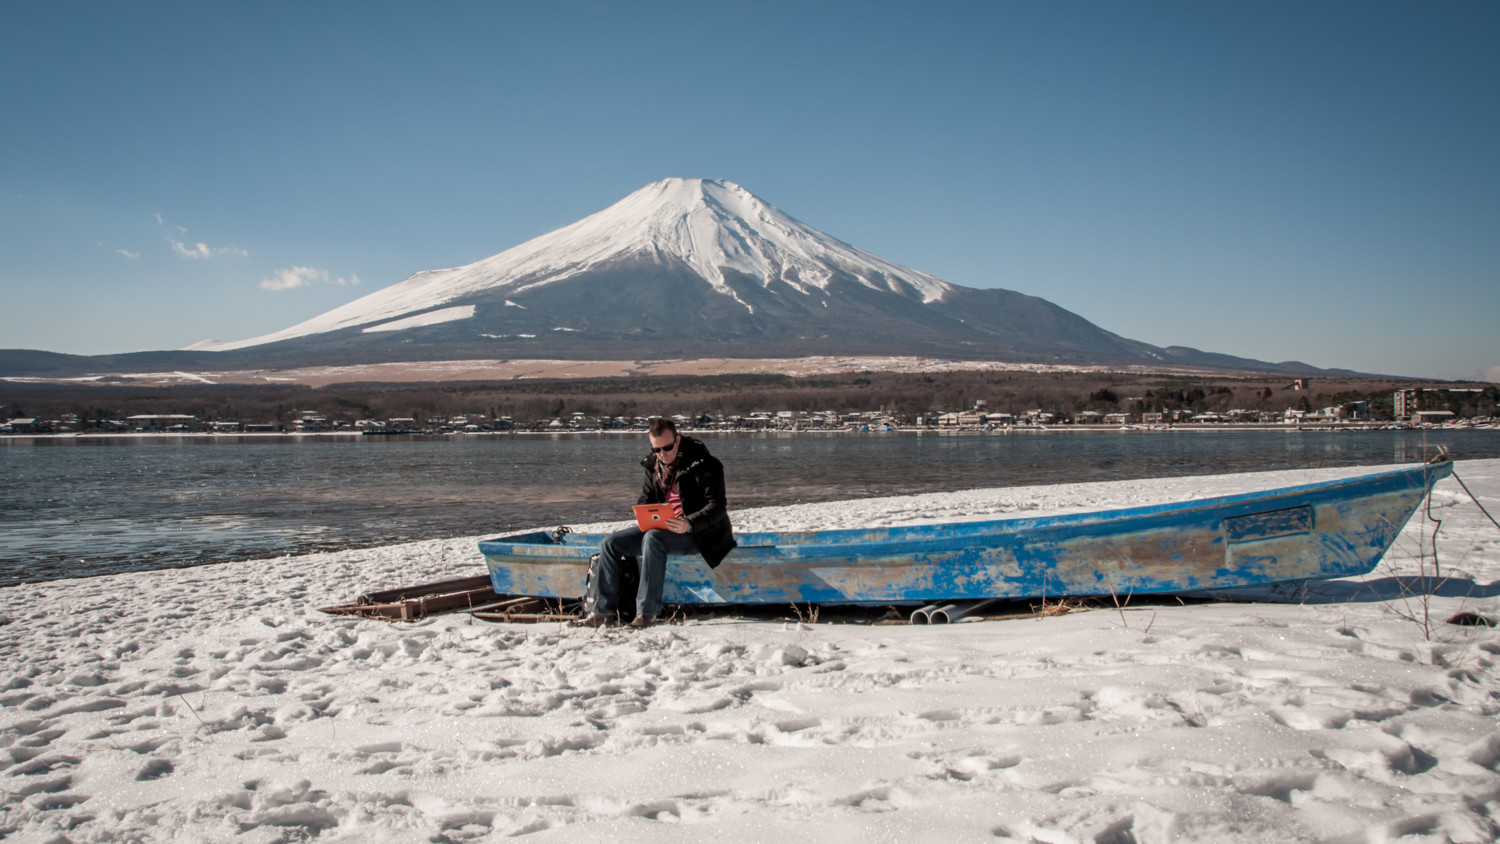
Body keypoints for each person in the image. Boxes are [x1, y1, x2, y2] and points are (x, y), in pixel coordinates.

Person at [576, 418, 735, 628]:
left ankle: (647, 612)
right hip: (664, 528)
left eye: (667, 448)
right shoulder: (654, 466)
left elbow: (717, 506)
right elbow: (646, 499)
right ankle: (603, 612)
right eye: (657, 449)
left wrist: (689, 523)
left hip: (700, 535)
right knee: (611, 543)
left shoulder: (706, 464)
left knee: (653, 539)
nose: (662, 454)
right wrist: (646, 514)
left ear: (677, 440)